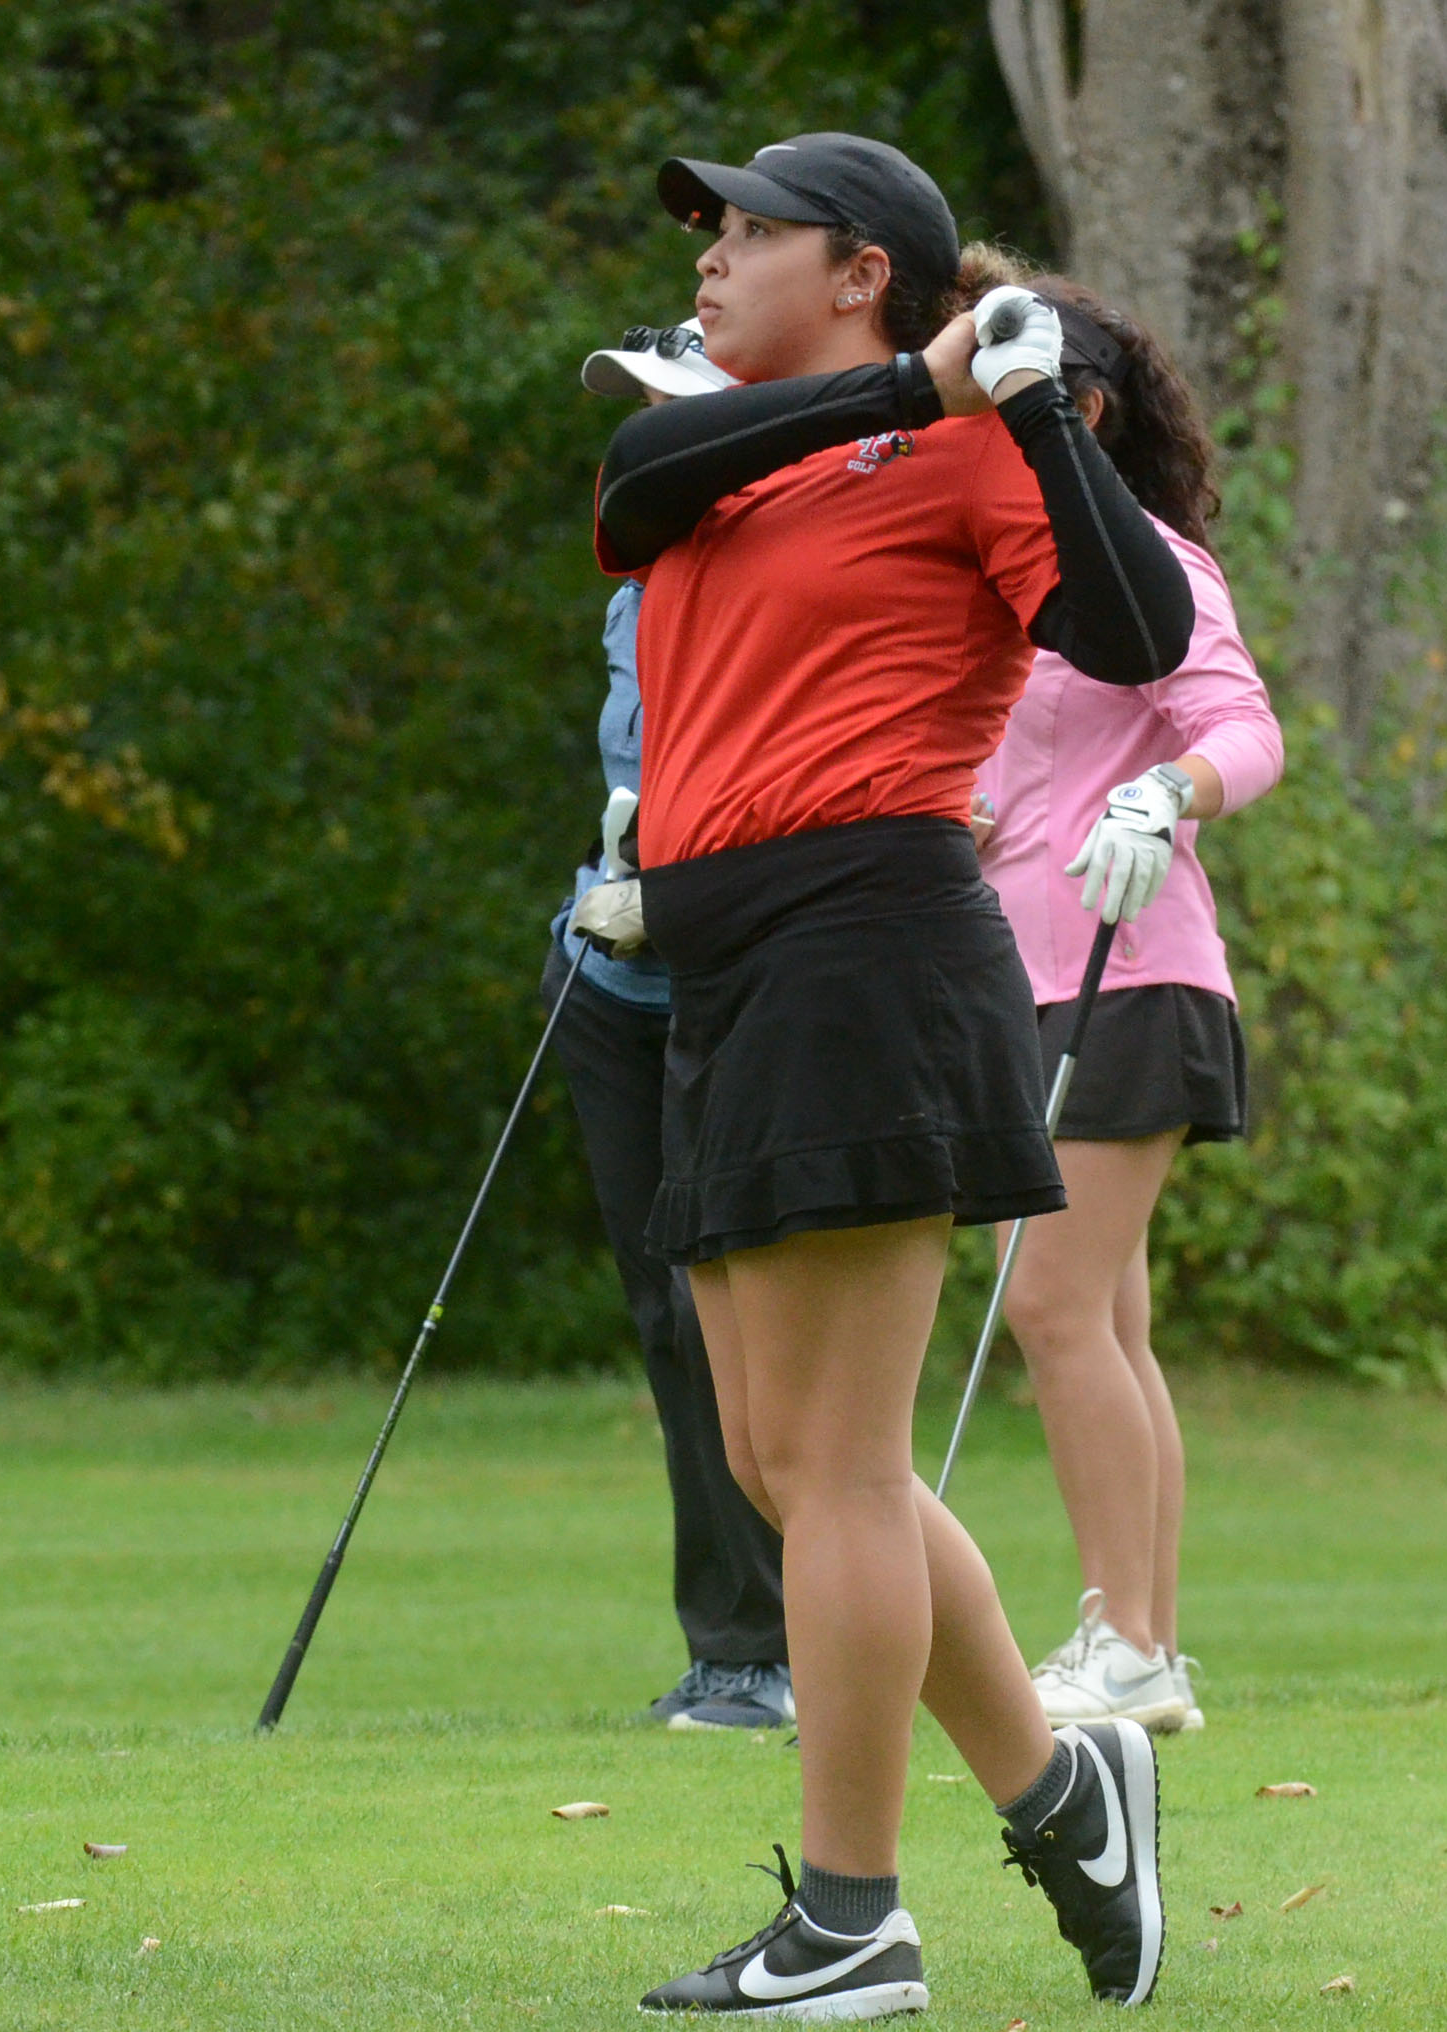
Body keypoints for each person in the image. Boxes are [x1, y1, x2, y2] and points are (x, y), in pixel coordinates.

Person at [592, 133, 1195, 2019]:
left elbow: (1141, 633)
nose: (706, 262)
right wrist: (909, 380)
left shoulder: (965, 454)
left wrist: (1026, 421)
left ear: (857, 265)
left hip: (871, 934)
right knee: (780, 1464)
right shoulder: (724, 449)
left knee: (837, 1466)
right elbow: (627, 485)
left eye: (744, 233)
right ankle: (1059, 1788)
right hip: (729, 963)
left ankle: (852, 1919)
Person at [969, 275, 1284, 1739]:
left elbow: (1240, 728)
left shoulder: (1151, 560)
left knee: (1049, 1304)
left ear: (1074, 412)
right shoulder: (1016, 569)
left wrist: (1168, 791)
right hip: (1025, 972)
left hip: (1130, 963)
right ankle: (1144, 1645)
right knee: (1110, 1321)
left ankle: (1125, 1643)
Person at [545, 318, 794, 1735]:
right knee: (666, 1320)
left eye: (666, 409)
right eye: (629, 413)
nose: (638, 440)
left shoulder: (778, 565)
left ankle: (786, 1648)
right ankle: (734, 1652)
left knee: (748, 1334)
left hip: (740, 972)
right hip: (609, 971)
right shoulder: (634, 581)